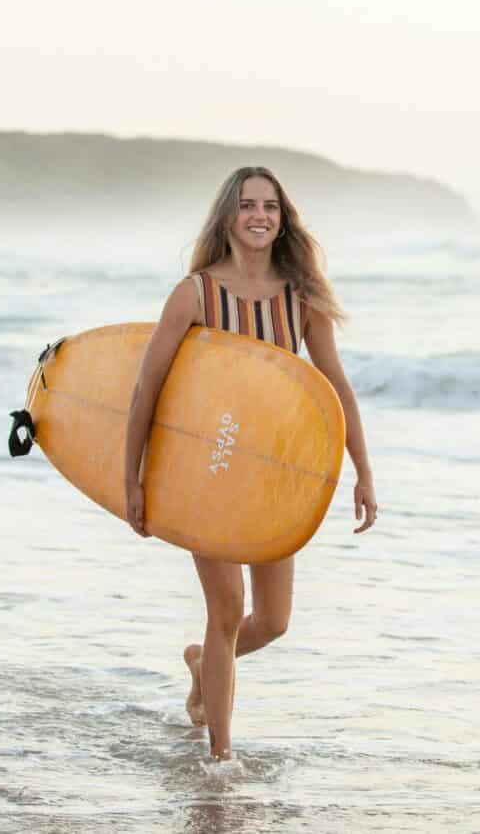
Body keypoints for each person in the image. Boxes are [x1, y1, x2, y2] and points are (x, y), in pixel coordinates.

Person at [122, 166, 379, 761]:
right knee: (227, 611)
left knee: (274, 621)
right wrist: (131, 477)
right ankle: (221, 757)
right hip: (205, 469)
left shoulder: (302, 298)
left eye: (270, 205)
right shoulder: (195, 294)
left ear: (283, 219)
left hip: (274, 473)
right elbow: (147, 389)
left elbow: (335, 386)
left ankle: (200, 665)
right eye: (246, 205)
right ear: (227, 217)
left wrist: (363, 472)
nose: (259, 215)